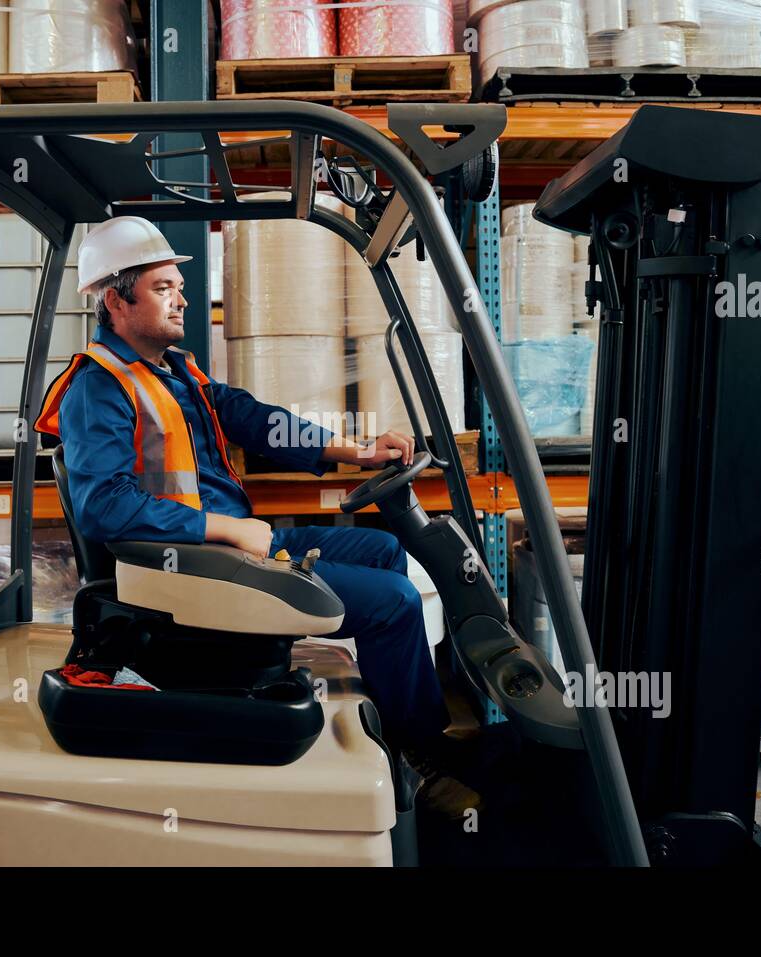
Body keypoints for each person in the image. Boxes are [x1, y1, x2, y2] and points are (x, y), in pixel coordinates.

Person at [36, 217, 477, 813]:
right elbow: (103, 506)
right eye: (164, 287)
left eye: (178, 286)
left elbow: (252, 417)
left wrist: (352, 450)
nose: (182, 297)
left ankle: (391, 719)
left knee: (384, 551)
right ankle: (423, 755)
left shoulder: (174, 371)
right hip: (189, 567)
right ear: (116, 299)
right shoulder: (100, 387)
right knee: (394, 604)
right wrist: (227, 527)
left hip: (226, 549)